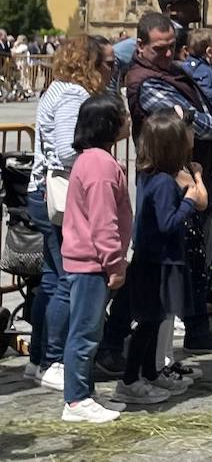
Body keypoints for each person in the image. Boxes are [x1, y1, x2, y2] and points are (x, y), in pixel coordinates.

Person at [122, 11, 212, 360]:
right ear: (140, 46)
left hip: (189, 173)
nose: (169, 54)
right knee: (167, 268)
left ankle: (187, 339)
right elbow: (186, 118)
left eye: (172, 46)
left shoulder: (172, 71)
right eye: (160, 48)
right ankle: (145, 359)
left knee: (194, 259)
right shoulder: (144, 81)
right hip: (168, 181)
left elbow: (195, 111)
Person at [25, 35, 111, 389]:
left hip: (43, 191)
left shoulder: (57, 90)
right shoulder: (73, 95)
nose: (110, 71)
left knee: (51, 277)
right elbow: (66, 150)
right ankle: (55, 360)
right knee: (66, 278)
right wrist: (99, 155)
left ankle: (39, 358)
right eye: (105, 64)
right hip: (58, 194)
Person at [118, 110, 209, 406]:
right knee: (148, 323)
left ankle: (150, 373)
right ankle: (130, 380)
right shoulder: (164, 184)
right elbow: (167, 223)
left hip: (153, 260)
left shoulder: (149, 177)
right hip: (157, 264)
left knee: (155, 321)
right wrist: (188, 202)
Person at [56, 92, 132, 423]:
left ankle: (85, 392)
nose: (128, 120)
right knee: (85, 334)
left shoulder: (94, 160)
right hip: (92, 262)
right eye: (123, 115)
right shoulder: (99, 165)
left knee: (89, 331)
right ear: (107, 124)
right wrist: (114, 263)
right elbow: (103, 222)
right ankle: (75, 400)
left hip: (90, 260)